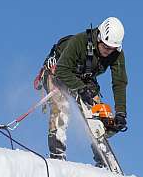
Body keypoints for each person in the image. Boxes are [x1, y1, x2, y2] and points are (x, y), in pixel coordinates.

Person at [36, 17, 128, 163]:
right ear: (99, 37)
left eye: (112, 49)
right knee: (61, 106)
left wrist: (121, 112)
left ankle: (101, 153)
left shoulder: (116, 53)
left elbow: (119, 82)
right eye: (105, 46)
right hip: (58, 71)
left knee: (102, 114)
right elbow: (61, 70)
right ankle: (57, 155)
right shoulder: (79, 42)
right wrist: (80, 89)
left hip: (84, 77)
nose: (108, 51)